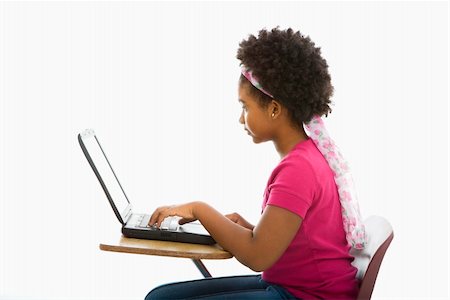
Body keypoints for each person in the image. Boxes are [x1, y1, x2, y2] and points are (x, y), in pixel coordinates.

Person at [145, 27, 361, 300]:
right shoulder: (307, 157)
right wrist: (245, 227)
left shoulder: (299, 169)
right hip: (293, 286)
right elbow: (289, 244)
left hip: (307, 296)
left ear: (273, 109)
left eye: (245, 107)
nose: (240, 118)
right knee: (161, 297)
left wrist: (200, 209)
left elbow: (257, 256)